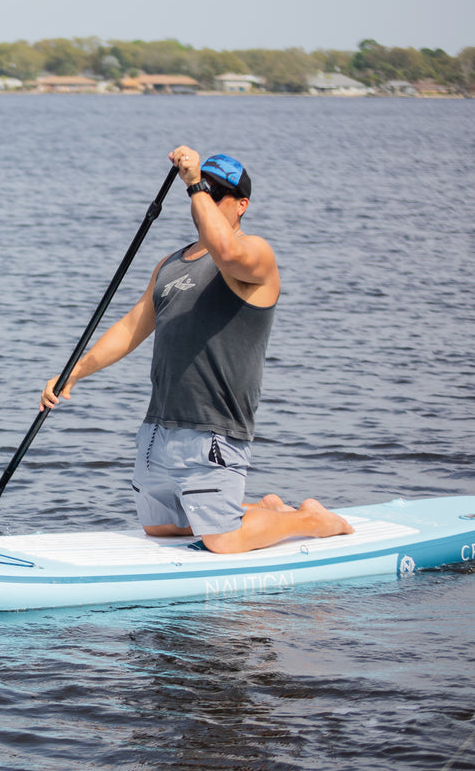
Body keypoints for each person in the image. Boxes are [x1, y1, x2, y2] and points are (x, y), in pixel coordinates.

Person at [40, 147, 354, 553]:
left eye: (214, 192)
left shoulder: (255, 255)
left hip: (213, 429)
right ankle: (264, 509)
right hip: (158, 428)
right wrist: (74, 373)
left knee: (221, 541)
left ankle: (310, 519)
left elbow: (224, 251)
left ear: (241, 206)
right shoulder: (170, 264)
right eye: (202, 187)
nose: (203, 197)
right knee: (162, 526)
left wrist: (193, 183)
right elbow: (132, 326)